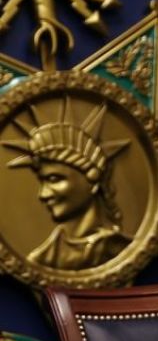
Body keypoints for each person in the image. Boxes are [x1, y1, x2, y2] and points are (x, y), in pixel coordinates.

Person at [2, 99, 131, 269]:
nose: (43, 194)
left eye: (54, 179)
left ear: (93, 179)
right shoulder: (41, 259)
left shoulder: (121, 249)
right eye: (42, 181)